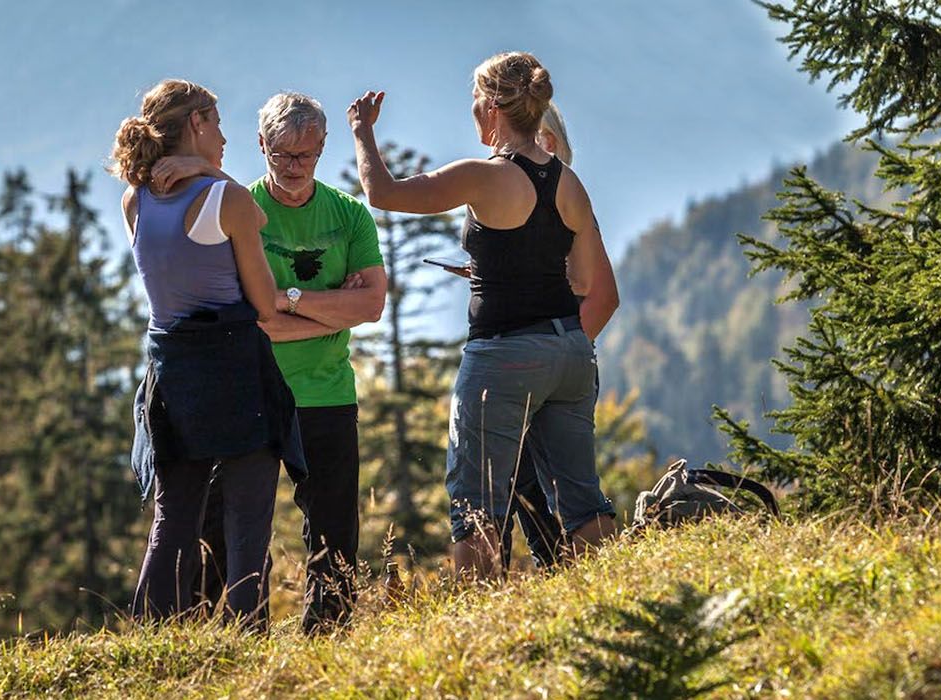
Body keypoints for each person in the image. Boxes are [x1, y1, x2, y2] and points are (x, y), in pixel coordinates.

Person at [349, 51, 618, 580]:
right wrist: (512, 272)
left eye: (475, 99)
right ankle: (605, 595)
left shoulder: (482, 176)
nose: (472, 109)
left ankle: (477, 618)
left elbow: (383, 192)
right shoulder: (569, 183)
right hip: (568, 351)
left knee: (478, 502)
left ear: (493, 107)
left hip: (503, 353)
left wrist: (362, 131)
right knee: (581, 497)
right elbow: (583, 282)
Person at [149, 92, 387, 633]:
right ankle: (216, 638)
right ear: (261, 146)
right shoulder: (238, 207)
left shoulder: (348, 215)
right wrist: (330, 309)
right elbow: (255, 320)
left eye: (307, 154)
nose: (296, 166)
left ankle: (328, 638)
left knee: (333, 534)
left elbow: (371, 305)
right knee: (224, 528)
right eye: (283, 154)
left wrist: (290, 298)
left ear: (324, 146)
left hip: (326, 393)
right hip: (249, 391)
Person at [110, 79, 305, 629]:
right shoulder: (228, 198)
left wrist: (202, 171)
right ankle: (248, 637)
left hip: (172, 376)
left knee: (173, 518)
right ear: (196, 123)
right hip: (236, 373)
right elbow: (265, 303)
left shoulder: (135, 200)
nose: (223, 137)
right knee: (248, 519)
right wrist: (212, 176)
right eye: (217, 124)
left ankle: (152, 635)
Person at [502, 102, 620, 570]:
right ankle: (557, 575)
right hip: (524, 361)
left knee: (556, 483)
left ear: (547, 142)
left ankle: (579, 575)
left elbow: (604, 297)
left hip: (549, 365)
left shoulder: (570, 211)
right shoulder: (521, 209)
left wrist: (559, 350)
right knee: (522, 480)